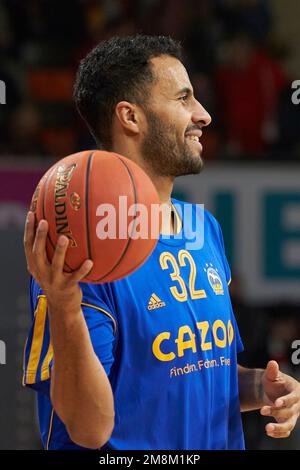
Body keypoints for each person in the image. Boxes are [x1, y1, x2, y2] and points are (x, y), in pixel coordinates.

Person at [23, 35, 300, 450]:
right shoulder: (84, 246)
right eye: (184, 98)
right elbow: (89, 429)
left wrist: (261, 388)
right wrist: (64, 309)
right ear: (130, 117)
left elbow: (195, 377)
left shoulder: (202, 226)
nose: (203, 115)